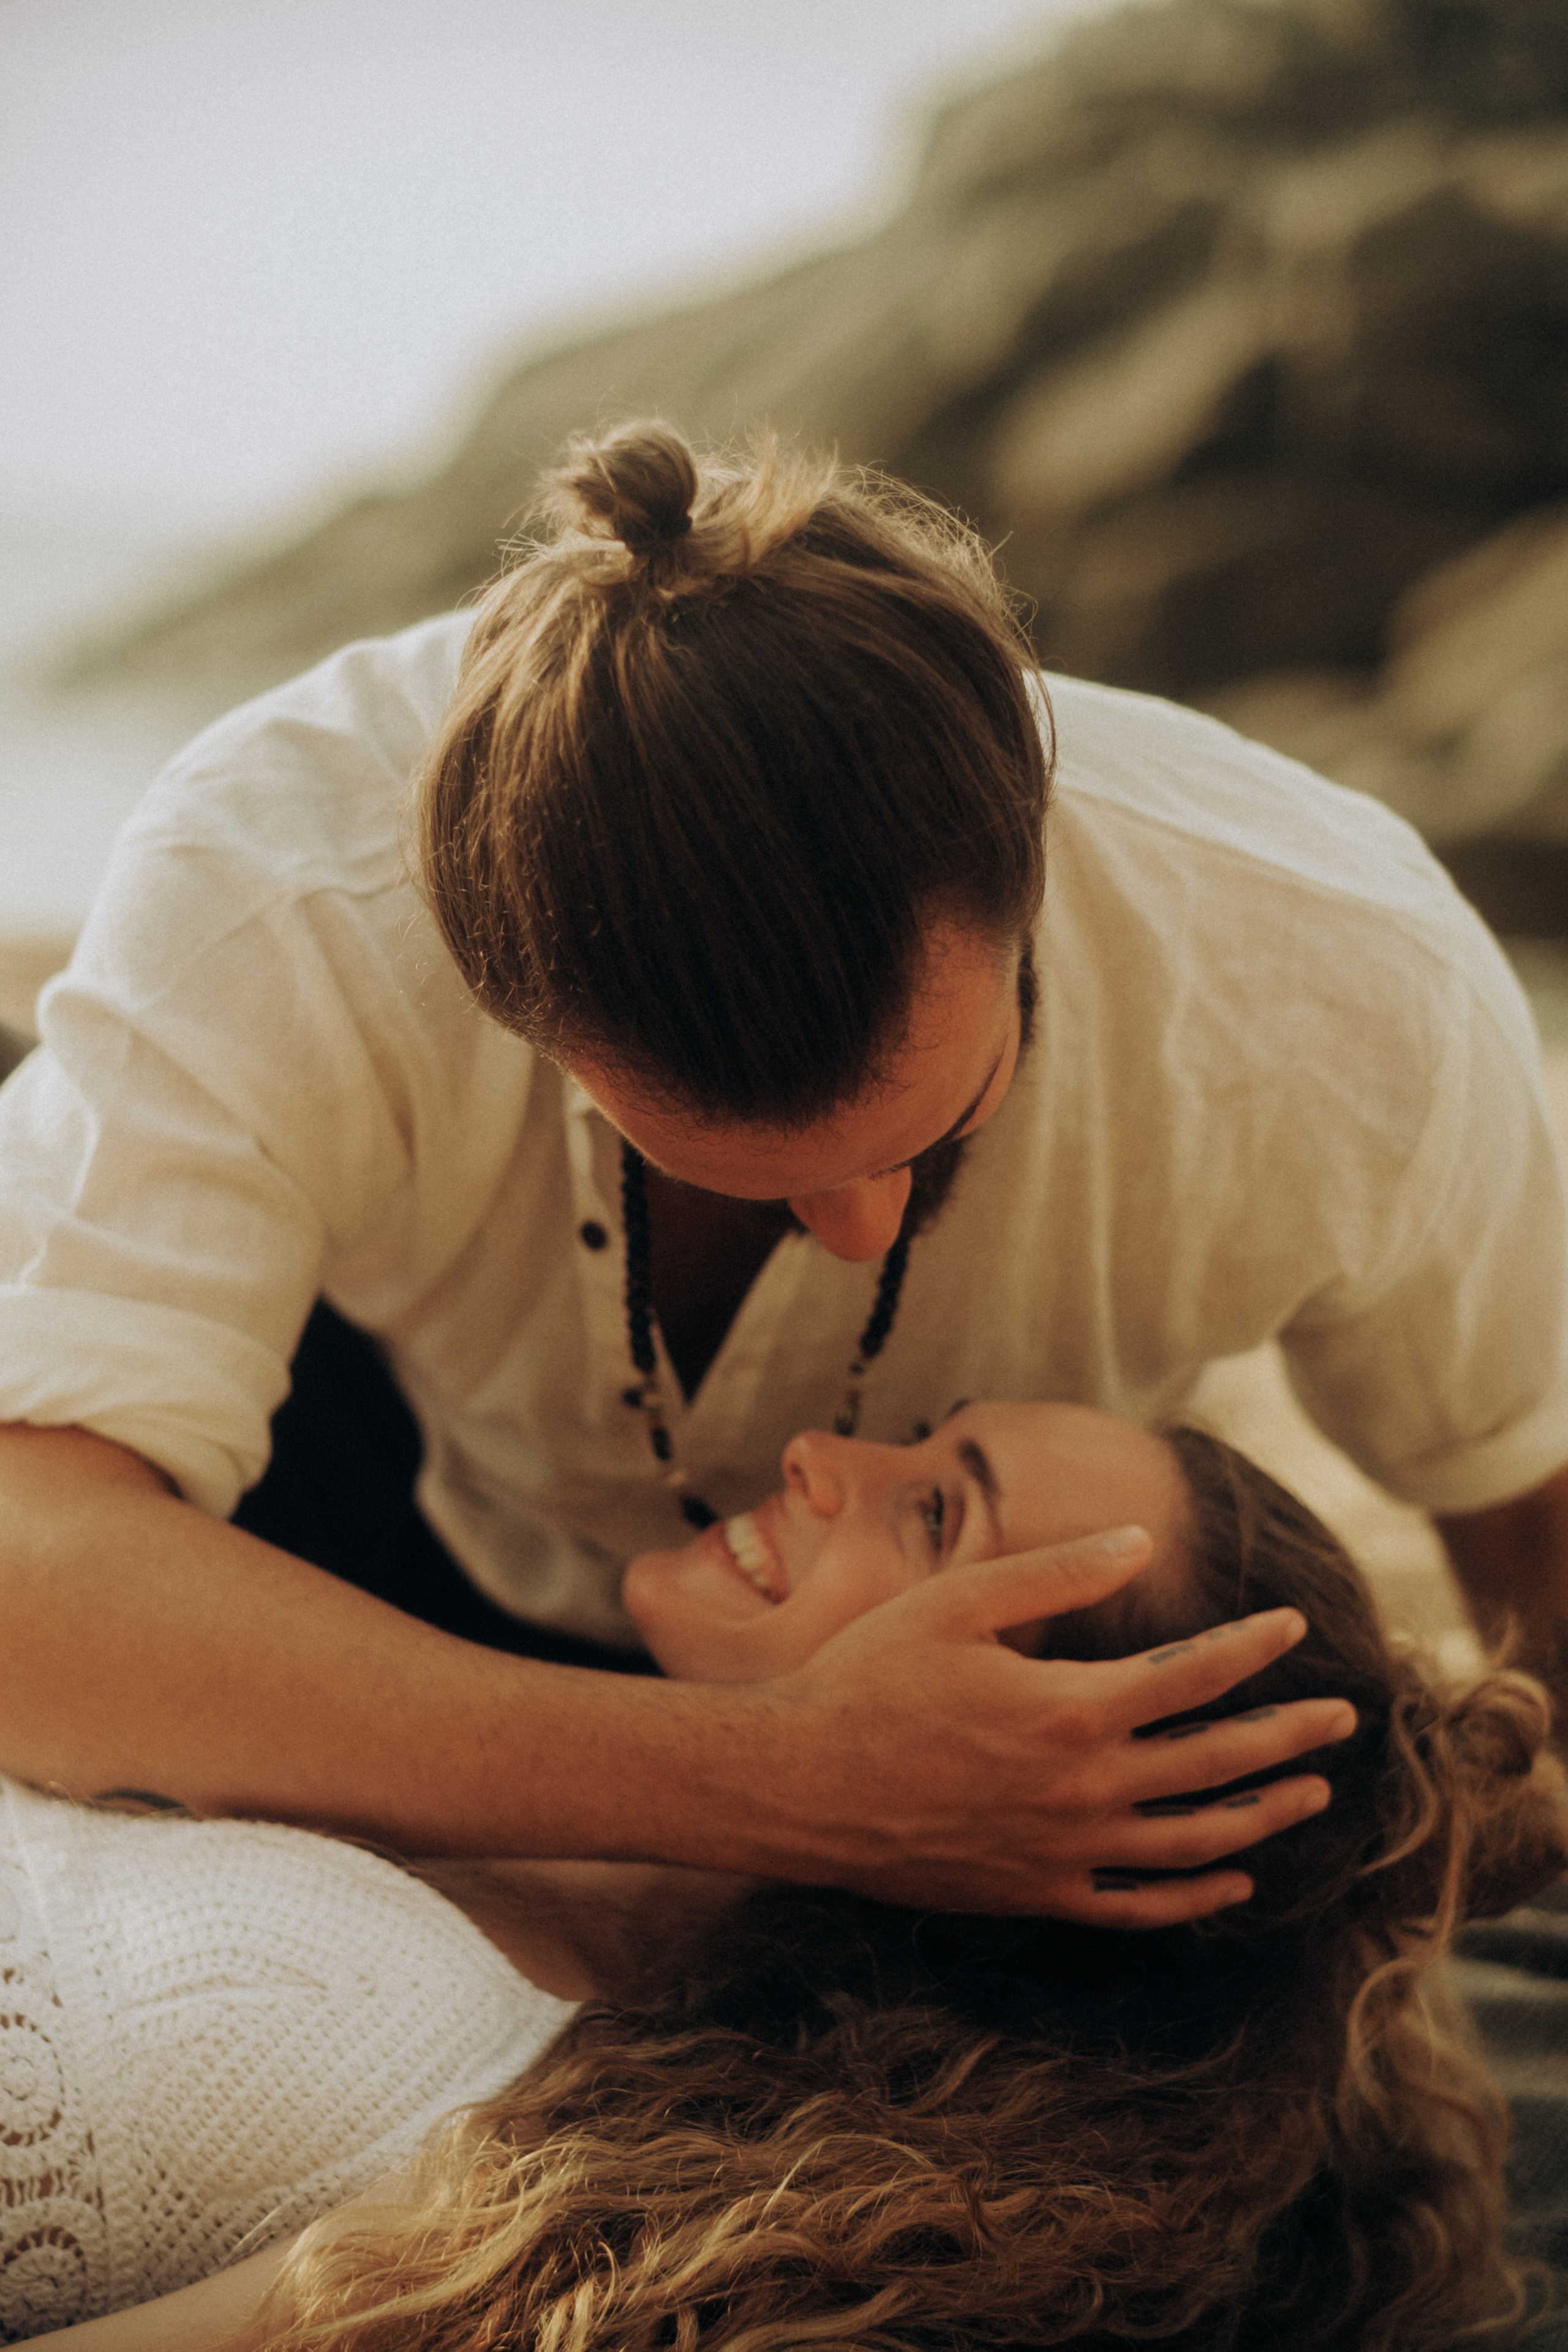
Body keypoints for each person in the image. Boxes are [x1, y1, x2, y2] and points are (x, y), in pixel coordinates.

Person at [0, 422, 1563, 1912]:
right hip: (375, 1541)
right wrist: (781, 1787)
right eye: (752, 1172)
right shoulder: (285, 888)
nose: (858, 1227)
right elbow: (33, 1589)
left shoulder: (1347, 980)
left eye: (934, 1128)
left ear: (1031, 851)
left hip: (962, 1707)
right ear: (504, 1003)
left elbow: (1528, 1518)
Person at [17, 1408, 1567, 2349]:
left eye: (934, 1512)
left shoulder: (545, 2195)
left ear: (1039, 1792)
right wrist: (788, 1775)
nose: (827, 1452)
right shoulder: (492, 1781)